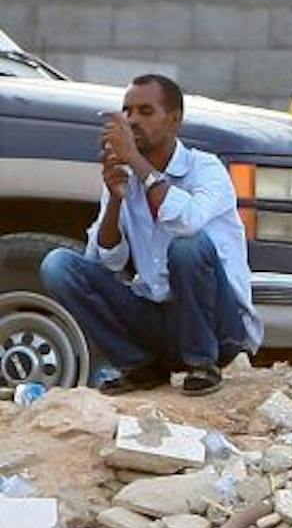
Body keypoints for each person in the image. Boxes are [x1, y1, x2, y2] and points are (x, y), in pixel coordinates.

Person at [41, 75, 256, 395]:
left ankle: (202, 364)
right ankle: (138, 366)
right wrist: (115, 199)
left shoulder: (206, 169)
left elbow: (188, 222)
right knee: (59, 266)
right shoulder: (126, 174)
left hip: (217, 327)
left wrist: (136, 162)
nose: (132, 121)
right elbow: (105, 261)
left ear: (174, 120)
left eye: (145, 111)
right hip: (160, 320)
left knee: (187, 246)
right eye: (127, 111)